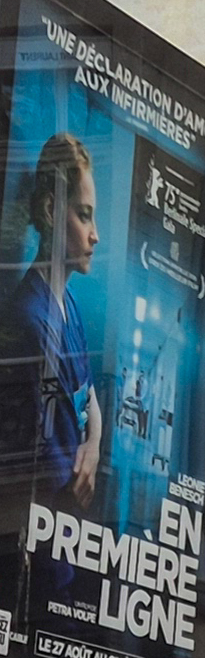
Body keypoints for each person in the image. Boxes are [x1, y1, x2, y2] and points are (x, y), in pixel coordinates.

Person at [0, 134, 101, 508]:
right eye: (84, 215)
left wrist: (93, 444)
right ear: (50, 210)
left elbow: (89, 397)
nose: (95, 235)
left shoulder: (67, 305)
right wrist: (86, 452)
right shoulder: (31, 321)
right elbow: (60, 480)